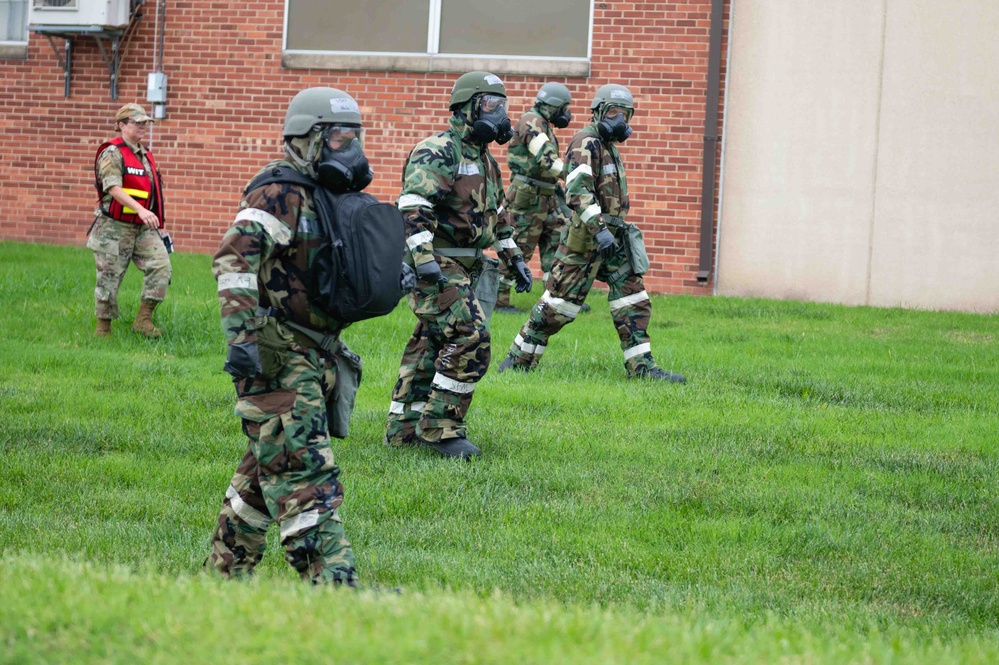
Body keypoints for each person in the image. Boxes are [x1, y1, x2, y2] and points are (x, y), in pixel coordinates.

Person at [206, 87, 378, 585]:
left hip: (317, 353)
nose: (348, 149)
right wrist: (241, 340)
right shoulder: (277, 192)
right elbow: (234, 260)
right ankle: (335, 588)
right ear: (305, 140)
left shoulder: (327, 195)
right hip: (278, 357)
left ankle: (222, 577)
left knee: (263, 478)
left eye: (353, 138)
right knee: (306, 478)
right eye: (337, 138)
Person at [384, 71, 533, 459]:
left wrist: (514, 259)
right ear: (466, 107)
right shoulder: (438, 150)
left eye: (503, 106)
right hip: (436, 262)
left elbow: (498, 217)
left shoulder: (487, 162)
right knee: (471, 336)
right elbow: (413, 207)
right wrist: (424, 261)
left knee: (431, 339)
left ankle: (403, 428)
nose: (500, 114)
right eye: (490, 105)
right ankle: (441, 428)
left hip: (468, 265)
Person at [498, 84, 686, 383]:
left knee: (633, 298)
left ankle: (642, 368)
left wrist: (611, 231)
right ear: (598, 112)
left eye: (625, 114)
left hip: (613, 237)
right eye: (613, 113)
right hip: (587, 238)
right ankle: (518, 360)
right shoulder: (586, 142)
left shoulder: (608, 145)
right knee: (559, 307)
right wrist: (599, 230)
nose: (620, 120)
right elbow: (578, 191)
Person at [88, 103, 171, 338]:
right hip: (114, 226)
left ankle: (143, 320)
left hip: (142, 228)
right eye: (138, 123)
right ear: (122, 125)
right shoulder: (112, 152)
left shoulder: (145, 154)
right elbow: (112, 187)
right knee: (110, 277)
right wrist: (140, 210)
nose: (143, 127)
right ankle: (103, 330)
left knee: (161, 266)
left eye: (145, 123)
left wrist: (149, 214)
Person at [494, 82, 574, 314]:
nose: (567, 114)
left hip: (548, 195)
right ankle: (498, 302)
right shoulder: (532, 121)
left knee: (557, 241)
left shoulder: (543, 123)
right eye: (565, 108)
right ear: (555, 106)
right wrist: (574, 176)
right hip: (527, 198)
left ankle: (555, 298)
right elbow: (545, 157)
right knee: (519, 245)